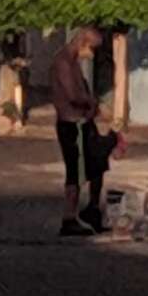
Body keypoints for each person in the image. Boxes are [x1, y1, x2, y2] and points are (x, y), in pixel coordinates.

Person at [51, 27, 125, 237]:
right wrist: (94, 104)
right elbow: (74, 95)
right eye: (91, 48)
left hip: (83, 122)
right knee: (75, 171)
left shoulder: (72, 62)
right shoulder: (63, 62)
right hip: (72, 124)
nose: (91, 54)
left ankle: (92, 210)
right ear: (83, 43)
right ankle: (69, 218)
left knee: (98, 162)